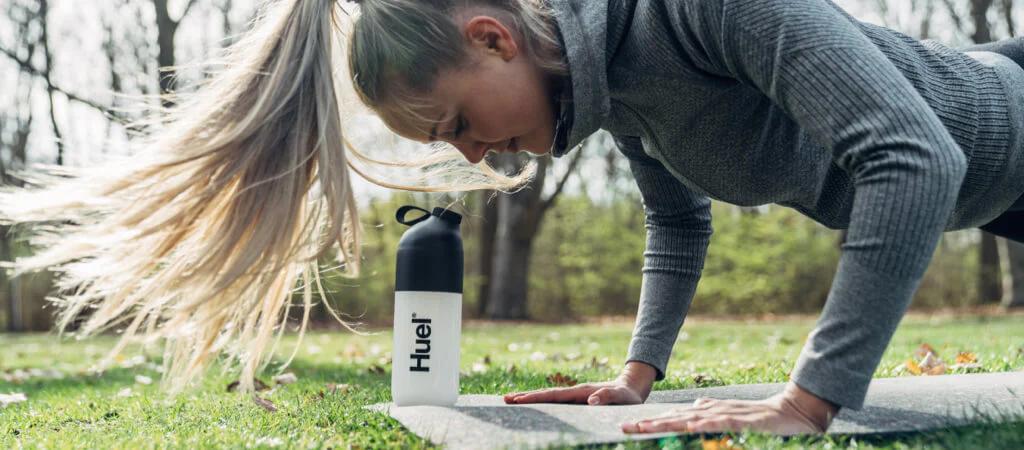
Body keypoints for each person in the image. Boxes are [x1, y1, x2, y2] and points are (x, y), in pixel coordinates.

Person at [1, 0, 1021, 436]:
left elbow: (916, 158)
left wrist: (808, 401)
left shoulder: (703, 11)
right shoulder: (616, 91)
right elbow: (678, 224)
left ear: (492, 39)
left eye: (455, 124)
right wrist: (636, 376)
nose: (472, 157)